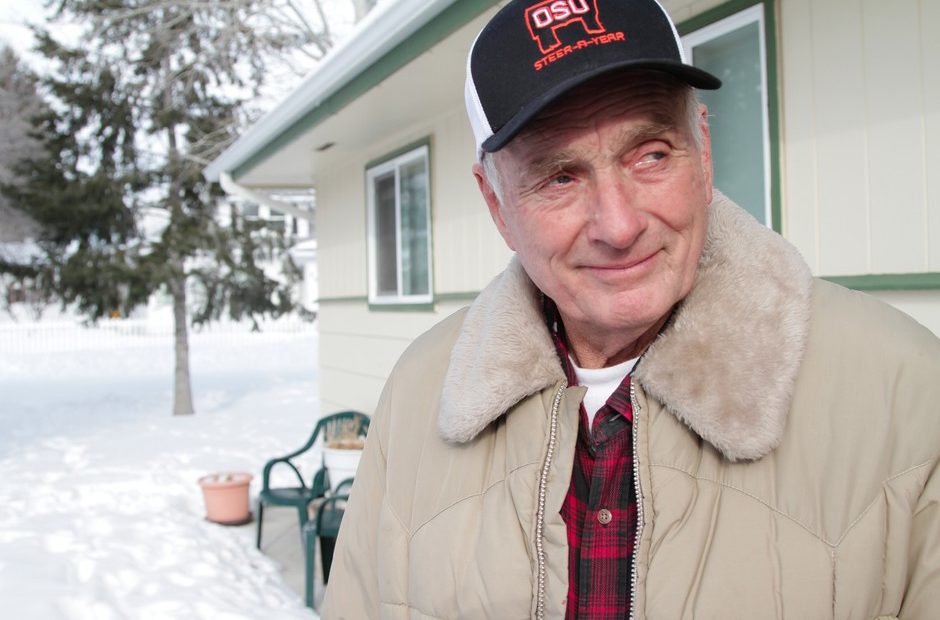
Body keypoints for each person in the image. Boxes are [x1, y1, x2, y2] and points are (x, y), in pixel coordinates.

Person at [322, 0, 940, 617]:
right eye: (559, 177)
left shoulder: (904, 391)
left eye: (650, 154)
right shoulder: (418, 394)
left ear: (702, 151)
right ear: (496, 204)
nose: (618, 225)